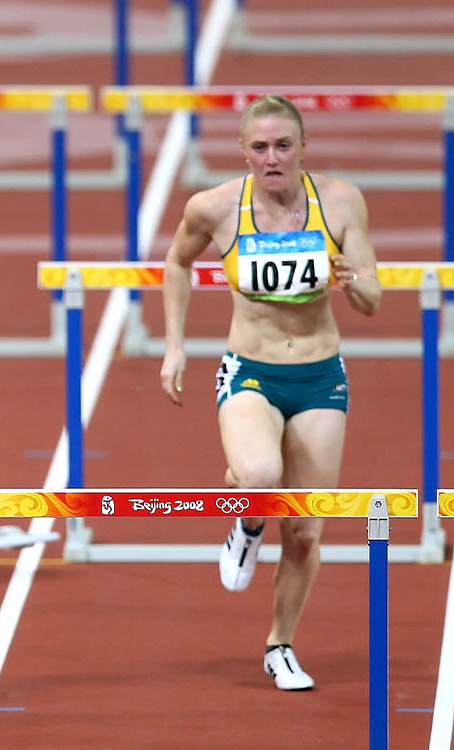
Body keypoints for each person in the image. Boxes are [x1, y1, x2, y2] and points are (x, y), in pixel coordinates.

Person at [158, 94, 380, 691]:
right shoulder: (214, 207)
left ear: (303, 147)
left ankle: (279, 645)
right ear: (243, 152)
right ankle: (246, 519)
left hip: (319, 375)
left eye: (283, 145)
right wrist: (175, 344)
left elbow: (372, 298)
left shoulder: (339, 201)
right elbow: (176, 264)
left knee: (306, 531)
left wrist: (350, 280)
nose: (272, 158)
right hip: (250, 371)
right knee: (260, 474)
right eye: (260, 147)